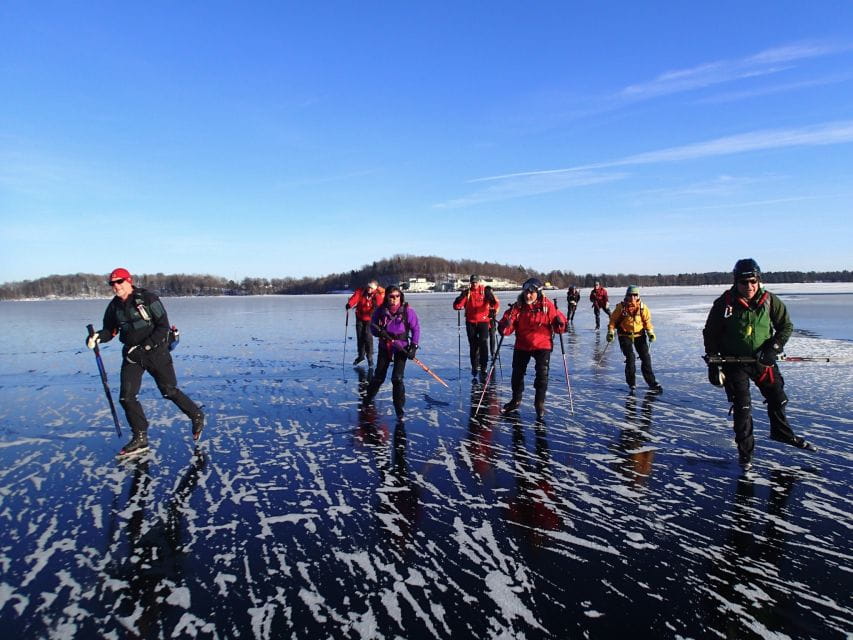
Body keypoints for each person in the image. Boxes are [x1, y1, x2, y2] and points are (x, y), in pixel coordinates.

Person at [703, 259, 815, 472]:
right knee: (742, 409)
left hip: (763, 362)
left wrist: (773, 348)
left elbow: (785, 326)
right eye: (744, 282)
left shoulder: (770, 301)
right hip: (734, 364)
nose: (749, 286)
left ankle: (780, 432)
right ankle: (746, 455)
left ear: (759, 281)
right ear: (736, 282)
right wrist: (713, 362)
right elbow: (710, 332)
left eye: (753, 281)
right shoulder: (724, 303)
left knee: (778, 398)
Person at [86, 268, 203, 457]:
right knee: (126, 397)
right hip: (132, 356)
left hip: (156, 353)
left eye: (119, 282)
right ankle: (140, 437)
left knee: (169, 391)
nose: (116, 286)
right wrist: (97, 337)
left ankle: (196, 414)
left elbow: (163, 326)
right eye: (112, 283)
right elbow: (111, 330)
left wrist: (146, 348)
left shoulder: (147, 299)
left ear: (129, 281)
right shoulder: (114, 307)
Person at [498, 278, 567, 420]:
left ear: (538, 293)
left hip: (542, 344)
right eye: (526, 292)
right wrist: (505, 325)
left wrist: (560, 323)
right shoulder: (518, 306)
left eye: (531, 293)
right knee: (517, 373)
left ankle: (539, 403)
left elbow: (558, 323)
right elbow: (507, 326)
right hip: (522, 344)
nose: (528, 296)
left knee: (542, 375)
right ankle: (515, 400)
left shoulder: (547, 305)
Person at [364, 285, 420, 419]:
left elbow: (416, 329)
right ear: (387, 297)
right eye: (391, 296)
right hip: (385, 346)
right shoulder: (380, 310)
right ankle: (368, 399)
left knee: (397, 378)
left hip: (402, 347)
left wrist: (414, 346)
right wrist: (379, 332)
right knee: (379, 377)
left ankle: (399, 408)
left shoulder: (408, 311)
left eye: (397, 296)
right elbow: (372, 327)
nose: (394, 299)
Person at [607, 285, 662, 393]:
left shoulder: (642, 307)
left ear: (638, 296)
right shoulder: (621, 308)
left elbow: (647, 321)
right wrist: (611, 331)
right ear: (626, 295)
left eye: (635, 295)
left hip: (639, 335)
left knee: (645, 357)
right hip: (624, 335)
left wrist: (650, 332)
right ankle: (632, 383)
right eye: (630, 295)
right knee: (630, 358)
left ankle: (652, 382)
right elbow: (613, 320)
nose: (632, 297)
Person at [453, 275, 500, 378]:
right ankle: (474, 366)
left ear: (479, 282)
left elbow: (495, 303)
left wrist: (493, 310)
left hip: (483, 321)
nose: (474, 284)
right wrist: (460, 297)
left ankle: (484, 366)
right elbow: (457, 306)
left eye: (476, 282)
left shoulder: (485, 291)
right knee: (473, 346)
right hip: (471, 322)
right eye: (472, 282)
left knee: (483, 343)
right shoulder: (467, 292)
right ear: (470, 282)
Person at [346, 279, 385, 367]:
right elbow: (354, 298)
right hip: (359, 317)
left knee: (367, 336)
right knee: (360, 337)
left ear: (374, 289)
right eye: (368, 287)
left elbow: (381, 305)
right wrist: (349, 304)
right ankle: (361, 355)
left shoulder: (377, 295)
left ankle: (369, 357)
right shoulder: (361, 291)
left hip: (370, 319)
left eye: (371, 288)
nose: (369, 289)